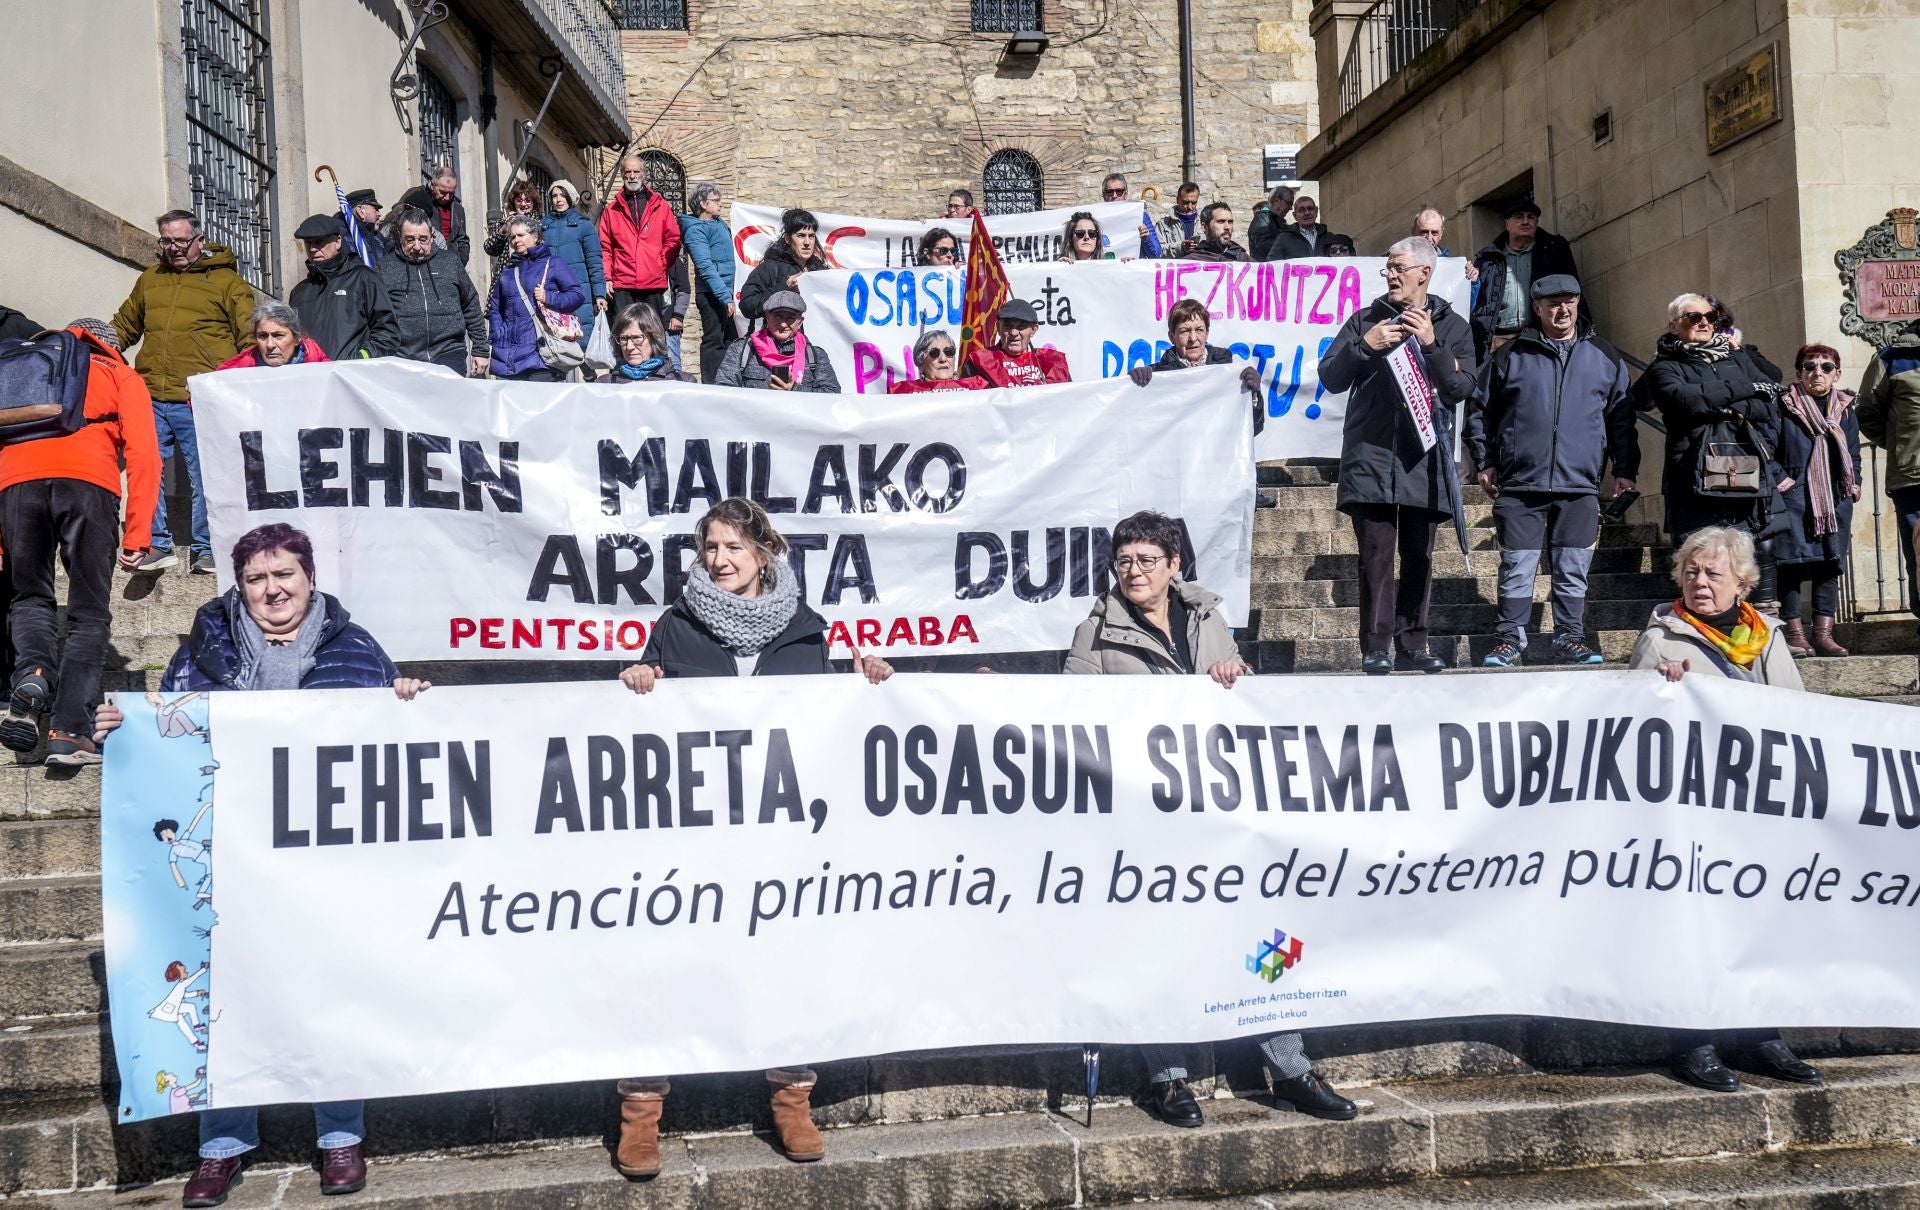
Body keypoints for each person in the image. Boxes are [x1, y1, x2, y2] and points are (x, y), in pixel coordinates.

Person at [93, 522, 429, 1205]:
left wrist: (407, 702)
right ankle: (221, 1146)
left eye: (285, 575)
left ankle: (340, 1135)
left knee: (332, 989)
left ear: (309, 578)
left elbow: (391, 749)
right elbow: (168, 735)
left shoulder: (358, 651)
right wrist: (122, 735)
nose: (272, 589)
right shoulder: (199, 655)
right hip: (230, 859)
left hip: (327, 868)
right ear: (239, 587)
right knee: (229, 995)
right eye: (256, 579)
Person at [612, 498, 889, 1176]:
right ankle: (641, 1111)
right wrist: (638, 680)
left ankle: (792, 1102)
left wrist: (862, 684)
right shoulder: (674, 628)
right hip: (691, 834)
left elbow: (824, 722)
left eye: (734, 547)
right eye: (710, 547)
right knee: (664, 965)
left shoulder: (804, 628)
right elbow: (639, 718)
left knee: (788, 963)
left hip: (779, 837)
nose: (719, 560)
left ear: (765, 552)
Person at [1064, 510, 1358, 1130]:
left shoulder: (1207, 617)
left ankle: (1291, 1067)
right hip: (1143, 816)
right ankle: (1168, 1078)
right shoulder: (1095, 631)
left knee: (1266, 934)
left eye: (1146, 560)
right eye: (1124, 561)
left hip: (1218, 810)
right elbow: (1072, 717)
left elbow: (1237, 697)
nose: (1133, 571)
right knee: (1154, 942)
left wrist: (1233, 675)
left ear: (1175, 566)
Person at [1625, 525, 1821, 1093]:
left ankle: (1758, 1034)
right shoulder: (1662, 639)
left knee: (1756, 926)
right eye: (1691, 571)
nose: (1700, 580)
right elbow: (1633, 728)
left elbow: (1800, 715)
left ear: (1743, 581)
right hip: (1693, 815)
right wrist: (1659, 691)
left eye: (1713, 573)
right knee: (1694, 929)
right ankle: (1694, 1041)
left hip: (1758, 811)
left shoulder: (1768, 636)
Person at [0, 319, 159, 764]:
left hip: (14, 485)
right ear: (110, 345)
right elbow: (146, 453)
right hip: (88, 485)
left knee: (29, 599)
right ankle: (69, 731)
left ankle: (32, 673)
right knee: (88, 614)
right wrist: (138, 531)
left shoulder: (22, 369)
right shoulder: (117, 372)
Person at [1321, 237, 1478, 675]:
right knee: (1375, 557)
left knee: (1419, 557)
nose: (1390, 274)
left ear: (1423, 274)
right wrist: (1364, 345)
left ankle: (1413, 643)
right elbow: (1330, 378)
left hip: (1423, 458)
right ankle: (1375, 647)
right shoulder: (1364, 320)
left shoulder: (1453, 327)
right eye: (1387, 268)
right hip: (1370, 456)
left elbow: (1463, 388)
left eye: (1397, 268)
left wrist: (1431, 345)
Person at [1467, 275, 1636, 668]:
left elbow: (1622, 419)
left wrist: (1625, 470)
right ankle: (1509, 640)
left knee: (1573, 568)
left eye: (1570, 302)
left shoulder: (1605, 355)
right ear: (1537, 308)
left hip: (1578, 484)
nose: (1563, 310)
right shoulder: (1510, 355)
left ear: (1578, 303)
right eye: (1553, 303)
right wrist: (1486, 459)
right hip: (1521, 483)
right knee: (1517, 567)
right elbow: (1479, 410)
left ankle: (1570, 638)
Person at [111, 209, 254, 575]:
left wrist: (237, 388)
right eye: (166, 241)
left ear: (199, 240)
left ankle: (206, 548)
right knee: (146, 469)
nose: (173, 248)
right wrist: (90, 345)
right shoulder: (150, 280)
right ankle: (155, 544)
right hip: (150, 395)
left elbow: (249, 339)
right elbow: (124, 327)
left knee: (206, 474)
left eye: (180, 240)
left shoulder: (228, 283)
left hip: (200, 397)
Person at [1642, 292, 1786, 572]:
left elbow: (1768, 404)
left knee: (1749, 555)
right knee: (1698, 557)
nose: (1704, 323)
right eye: (1694, 317)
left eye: (1710, 317)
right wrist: (1746, 389)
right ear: (1674, 325)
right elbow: (1684, 400)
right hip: (1692, 474)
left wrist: (1717, 403)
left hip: (1743, 467)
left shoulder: (1736, 357)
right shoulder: (1664, 365)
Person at [1772, 344, 1860, 657]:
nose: (1816, 373)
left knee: (1829, 565)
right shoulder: (1783, 405)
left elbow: (1853, 452)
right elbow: (1767, 448)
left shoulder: (1845, 408)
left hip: (1834, 498)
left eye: (1825, 367)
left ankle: (1823, 635)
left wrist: (1854, 484)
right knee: (1791, 566)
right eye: (1809, 367)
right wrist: (1782, 479)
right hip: (1794, 495)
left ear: (1837, 374)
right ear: (1799, 373)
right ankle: (1795, 634)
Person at [1857, 318, 1920, 630]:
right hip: (1913, 477)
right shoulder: (1892, 357)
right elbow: (1866, 413)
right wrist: (1900, 446)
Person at [377, 209, 489, 377]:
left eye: (423, 239)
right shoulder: (385, 267)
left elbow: (471, 305)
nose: (417, 246)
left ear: (432, 236)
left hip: (450, 352)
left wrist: (480, 349)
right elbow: (376, 316)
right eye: (410, 240)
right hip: (403, 358)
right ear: (400, 237)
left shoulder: (450, 262)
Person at [1126, 298, 1263, 432]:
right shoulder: (1156, 376)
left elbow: (1253, 429)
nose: (1193, 338)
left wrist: (1253, 395)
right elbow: (1139, 429)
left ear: (1207, 333)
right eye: (1185, 331)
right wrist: (1134, 386)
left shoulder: (1231, 374)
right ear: (1172, 336)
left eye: (1199, 330)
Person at [1471, 198, 1578, 355]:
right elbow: (1479, 301)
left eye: (1531, 217)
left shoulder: (1554, 250)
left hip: (1540, 336)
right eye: (1519, 217)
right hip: (1498, 340)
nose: (1525, 221)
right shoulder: (1488, 258)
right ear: (1507, 224)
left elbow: (1573, 290)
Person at [486, 215, 586, 383]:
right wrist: (497, 333)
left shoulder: (553, 263)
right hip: (507, 356)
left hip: (541, 356)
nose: (515, 240)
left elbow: (577, 295)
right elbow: (495, 307)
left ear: (536, 237)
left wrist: (549, 297)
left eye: (521, 235)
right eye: (512, 237)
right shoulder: (508, 272)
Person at [289, 213, 397, 362]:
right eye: (308, 243)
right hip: (311, 378)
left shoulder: (363, 279)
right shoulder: (299, 292)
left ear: (338, 241)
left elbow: (387, 332)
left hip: (352, 376)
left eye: (319, 242)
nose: (313, 249)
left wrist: (360, 358)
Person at [599, 156, 683, 322]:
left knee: (652, 335)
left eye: (636, 171)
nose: (632, 176)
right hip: (622, 283)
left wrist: (660, 263)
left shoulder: (661, 206)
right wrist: (607, 277)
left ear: (643, 174)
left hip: (653, 282)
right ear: (623, 175)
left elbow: (673, 240)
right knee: (624, 335)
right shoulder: (611, 210)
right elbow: (605, 247)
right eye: (628, 172)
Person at [716, 290, 839, 392]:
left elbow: (832, 394)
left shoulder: (816, 355)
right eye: (778, 316)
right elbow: (723, 390)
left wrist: (795, 389)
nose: (783, 323)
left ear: (800, 321)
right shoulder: (742, 349)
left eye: (790, 318)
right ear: (767, 317)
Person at [680, 182, 736, 383]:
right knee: (714, 340)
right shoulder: (695, 231)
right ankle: (712, 385)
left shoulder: (719, 224)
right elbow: (705, 267)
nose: (720, 205)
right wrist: (724, 296)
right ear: (703, 204)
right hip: (712, 294)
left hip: (726, 292)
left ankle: (729, 380)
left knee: (731, 340)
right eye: (716, 201)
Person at [544, 180, 607, 346]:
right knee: (555, 344)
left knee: (581, 342)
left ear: (570, 198)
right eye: (555, 195)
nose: (558, 199)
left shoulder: (584, 226)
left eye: (562, 195)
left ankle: (589, 373)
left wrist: (599, 294)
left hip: (580, 292)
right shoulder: (543, 227)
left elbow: (594, 262)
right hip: (551, 293)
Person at [739, 209, 828, 325]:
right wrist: (785, 288)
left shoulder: (820, 270)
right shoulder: (770, 268)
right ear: (787, 239)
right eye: (801, 235)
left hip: (816, 340)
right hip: (780, 341)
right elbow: (747, 306)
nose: (807, 242)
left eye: (811, 236)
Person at [965, 299, 1070, 388]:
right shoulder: (980, 362)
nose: (1014, 333)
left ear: (1033, 330)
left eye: (1021, 327)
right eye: (1008, 326)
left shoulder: (1051, 362)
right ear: (998, 328)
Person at [215, 301, 328, 370]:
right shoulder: (238, 373)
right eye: (263, 336)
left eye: (278, 335)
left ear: (297, 338)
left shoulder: (326, 371)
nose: (270, 345)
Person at [397, 164, 471, 267]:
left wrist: (460, 261)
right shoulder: (416, 196)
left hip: (450, 265)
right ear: (432, 185)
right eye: (443, 192)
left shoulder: (458, 209)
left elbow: (462, 240)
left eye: (451, 193)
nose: (447, 197)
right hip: (421, 261)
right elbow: (397, 218)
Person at [605, 304, 692, 384]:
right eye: (623, 338)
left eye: (636, 338)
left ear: (654, 338)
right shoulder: (604, 386)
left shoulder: (683, 383)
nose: (629, 347)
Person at [890, 330, 988, 393]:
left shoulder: (977, 387)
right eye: (934, 353)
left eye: (949, 352)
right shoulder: (903, 391)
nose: (943, 359)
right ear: (920, 363)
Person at [1263, 195, 1348, 261]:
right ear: (1294, 215)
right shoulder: (1284, 238)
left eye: (1310, 209)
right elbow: (1271, 265)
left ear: (1316, 211)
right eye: (1301, 210)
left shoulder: (1329, 237)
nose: (1307, 213)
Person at [1103, 172, 1162, 257]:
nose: (1114, 195)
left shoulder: (1140, 216)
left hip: (1134, 268)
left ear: (1125, 194)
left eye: (1119, 191)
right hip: (1109, 268)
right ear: (1104, 195)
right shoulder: (1096, 219)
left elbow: (1156, 254)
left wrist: (1146, 239)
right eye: (1110, 192)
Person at [483, 181, 544, 262]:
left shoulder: (541, 223)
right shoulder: (505, 222)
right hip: (508, 271)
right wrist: (502, 230)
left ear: (533, 202)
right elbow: (489, 248)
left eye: (527, 200)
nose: (523, 204)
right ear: (513, 202)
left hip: (533, 270)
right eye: (519, 200)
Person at [1412, 207, 1478, 281]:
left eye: (1434, 233)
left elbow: (1462, 292)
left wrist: (1472, 281)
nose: (1429, 238)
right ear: (1413, 231)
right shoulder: (1399, 262)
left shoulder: (1452, 267)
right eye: (1424, 232)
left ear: (1441, 234)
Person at [1179, 203, 1248, 262]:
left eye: (1230, 222)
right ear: (1205, 227)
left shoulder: (1244, 259)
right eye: (1221, 221)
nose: (1227, 227)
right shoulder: (1191, 261)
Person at [1247, 185, 1297, 261]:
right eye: (1289, 203)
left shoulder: (1274, 220)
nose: (1290, 208)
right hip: (1267, 271)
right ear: (1276, 201)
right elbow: (1269, 250)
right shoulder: (1262, 220)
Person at [341, 189, 389, 264]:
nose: (379, 214)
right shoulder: (345, 238)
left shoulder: (374, 233)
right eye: (375, 209)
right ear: (360, 211)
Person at [1156, 182, 1202, 255]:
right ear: (1177, 200)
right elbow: (1158, 251)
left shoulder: (1205, 222)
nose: (1190, 207)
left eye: (1194, 203)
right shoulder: (1163, 225)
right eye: (1185, 202)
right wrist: (1180, 247)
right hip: (1174, 265)